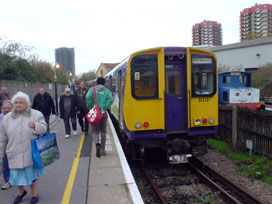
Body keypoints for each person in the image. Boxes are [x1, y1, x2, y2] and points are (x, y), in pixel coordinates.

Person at [0, 92, 47, 204]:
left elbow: (44, 129)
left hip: (30, 152)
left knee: (31, 175)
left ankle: (34, 194)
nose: (18, 104)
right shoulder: (6, 119)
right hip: (13, 151)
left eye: (21, 102)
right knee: (16, 176)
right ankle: (21, 193)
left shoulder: (36, 114)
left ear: (26, 103)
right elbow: (2, 138)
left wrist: (35, 125)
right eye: (16, 102)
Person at [86, 77, 113, 158]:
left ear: (97, 82)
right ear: (104, 83)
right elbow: (111, 99)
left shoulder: (92, 90)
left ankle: (97, 145)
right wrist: (104, 106)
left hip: (95, 113)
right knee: (103, 132)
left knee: (95, 131)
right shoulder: (107, 91)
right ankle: (103, 150)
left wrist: (90, 107)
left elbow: (87, 97)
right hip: (103, 113)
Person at [0, 100, 13, 190]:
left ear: (12, 108)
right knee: (5, 164)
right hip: (4, 145)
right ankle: (8, 180)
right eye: (5, 108)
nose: (6, 109)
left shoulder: (15, 117)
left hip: (14, 144)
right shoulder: (0, 117)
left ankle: (16, 179)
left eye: (8, 108)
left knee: (14, 163)